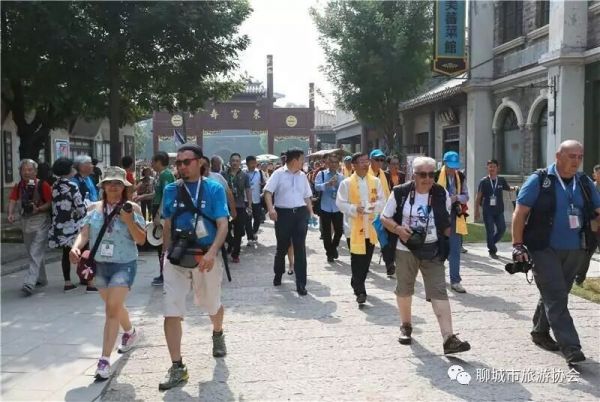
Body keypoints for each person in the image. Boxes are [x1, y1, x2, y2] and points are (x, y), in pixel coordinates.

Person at [512, 140, 600, 364]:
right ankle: (571, 347)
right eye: (572, 156)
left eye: (580, 157)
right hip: (543, 248)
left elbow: (598, 211)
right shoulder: (540, 180)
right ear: (558, 157)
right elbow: (520, 214)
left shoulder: (584, 182)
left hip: (575, 248)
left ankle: (539, 332)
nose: (576, 161)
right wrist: (517, 245)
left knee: (557, 294)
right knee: (556, 296)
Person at [380, 156, 471, 354]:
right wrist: (398, 229)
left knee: (439, 291)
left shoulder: (440, 192)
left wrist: (450, 241)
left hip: (432, 249)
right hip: (405, 249)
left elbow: (444, 221)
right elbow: (384, 217)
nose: (428, 179)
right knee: (404, 290)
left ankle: (449, 338)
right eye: (423, 174)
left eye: (431, 174)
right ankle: (406, 326)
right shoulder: (401, 192)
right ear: (413, 175)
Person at [159, 144, 229, 390]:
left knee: (212, 304)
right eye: (178, 163)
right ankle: (177, 366)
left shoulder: (214, 188)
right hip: (177, 257)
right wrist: (165, 254)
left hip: (205, 257)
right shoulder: (171, 189)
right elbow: (167, 224)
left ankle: (217, 332)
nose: (181, 167)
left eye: (186, 162)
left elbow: (223, 224)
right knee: (171, 310)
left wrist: (212, 252)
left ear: (200, 162)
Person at [70, 166, 147, 380]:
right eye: (109, 183)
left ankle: (104, 360)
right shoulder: (94, 208)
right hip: (100, 265)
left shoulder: (133, 208)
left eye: (118, 183)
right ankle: (130, 332)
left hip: (124, 264)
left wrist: (128, 220)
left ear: (124, 187)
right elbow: (84, 232)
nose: (113, 186)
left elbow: (141, 239)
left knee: (111, 310)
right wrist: (76, 247)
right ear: (103, 186)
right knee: (115, 306)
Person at [264, 149, 315, 296]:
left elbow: (307, 196)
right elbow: (268, 192)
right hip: (283, 215)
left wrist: (311, 212)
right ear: (294, 160)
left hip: (300, 214)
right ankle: (278, 273)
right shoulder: (278, 174)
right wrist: (271, 209)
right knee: (282, 246)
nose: (303, 162)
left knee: (300, 248)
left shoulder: (302, 176)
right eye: (302, 159)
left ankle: (301, 283)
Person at [336, 152, 385, 304]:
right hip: (353, 227)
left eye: (366, 161)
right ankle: (360, 291)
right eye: (361, 161)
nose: (365, 164)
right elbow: (340, 203)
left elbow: (382, 201)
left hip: (370, 226)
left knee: (366, 260)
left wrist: (370, 208)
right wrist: (354, 209)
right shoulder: (346, 183)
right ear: (354, 165)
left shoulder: (376, 182)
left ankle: (356, 281)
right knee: (357, 259)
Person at [7, 159, 53, 296]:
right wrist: (10, 213)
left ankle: (29, 282)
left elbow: (50, 202)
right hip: (25, 221)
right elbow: (12, 200)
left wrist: (39, 209)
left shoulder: (43, 185)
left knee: (35, 251)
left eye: (30, 169)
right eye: (24, 170)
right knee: (33, 252)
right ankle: (42, 279)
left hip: (41, 220)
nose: (26, 172)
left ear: (35, 171)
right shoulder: (19, 186)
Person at [48, 158, 87, 292]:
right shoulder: (72, 185)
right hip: (72, 224)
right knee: (82, 249)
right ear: (69, 169)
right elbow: (79, 206)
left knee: (65, 254)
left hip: (59, 224)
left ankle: (67, 282)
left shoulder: (54, 185)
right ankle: (85, 277)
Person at [435, 151, 469, 293]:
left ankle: (455, 281)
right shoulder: (435, 175)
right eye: (450, 166)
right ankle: (436, 280)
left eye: (455, 166)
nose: (452, 169)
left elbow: (466, 196)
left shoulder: (460, 176)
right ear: (444, 163)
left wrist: (456, 198)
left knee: (455, 249)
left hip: (455, 216)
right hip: (438, 217)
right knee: (438, 249)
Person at [474, 160, 515, 259]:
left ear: (497, 168)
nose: (492, 169)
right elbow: (478, 197)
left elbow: (508, 188)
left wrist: (515, 188)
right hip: (488, 210)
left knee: (502, 229)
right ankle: (492, 250)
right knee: (490, 230)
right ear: (487, 168)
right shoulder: (484, 181)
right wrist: (476, 211)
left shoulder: (501, 180)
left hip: (499, 210)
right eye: (490, 167)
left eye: (494, 167)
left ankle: (491, 243)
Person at [149, 152, 176, 286]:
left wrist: (159, 215)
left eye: (153, 161)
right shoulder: (160, 175)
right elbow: (158, 193)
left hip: (163, 213)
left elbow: (166, 196)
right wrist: (143, 197)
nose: (151, 164)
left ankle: (166, 274)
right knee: (159, 244)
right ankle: (163, 272)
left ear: (159, 161)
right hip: (158, 209)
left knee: (163, 244)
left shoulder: (166, 175)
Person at [369, 149, 395, 276]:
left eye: (381, 160)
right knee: (371, 240)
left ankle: (389, 265)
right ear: (371, 160)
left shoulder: (385, 175)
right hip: (368, 213)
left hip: (383, 212)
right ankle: (364, 263)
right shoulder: (365, 174)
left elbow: (389, 193)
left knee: (384, 238)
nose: (380, 162)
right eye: (377, 160)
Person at [315, 154, 345, 262]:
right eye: (331, 162)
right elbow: (316, 186)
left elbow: (344, 191)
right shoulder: (322, 174)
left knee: (339, 231)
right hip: (325, 207)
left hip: (337, 207)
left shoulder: (341, 176)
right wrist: (327, 184)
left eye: (336, 162)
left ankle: (333, 247)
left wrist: (338, 186)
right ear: (327, 163)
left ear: (338, 164)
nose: (334, 164)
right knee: (326, 232)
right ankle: (329, 253)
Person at [223, 153, 252, 263]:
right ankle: (231, 243)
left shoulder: (244, 176)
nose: (235, 163)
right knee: (225, 229)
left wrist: (249, 205)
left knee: (239, 231)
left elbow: (248, 190)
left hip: (240, 206)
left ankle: (235, 254)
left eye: (237, 161)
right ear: (230, 162)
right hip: (226, 207)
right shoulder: (223, 175)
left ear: (240, 163)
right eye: (233, 160)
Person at [244, 155, 266, 246]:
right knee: (247, 220)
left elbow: (266, 184)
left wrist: (263, 186)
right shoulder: (243, 173)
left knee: (257, 218)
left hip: (257, 199)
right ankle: (250, 238)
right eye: (251, 163)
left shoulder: (260, 173)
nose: (253, 165)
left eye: (255, 163)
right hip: (246, 200)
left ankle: (254, 232)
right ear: (247, 164)